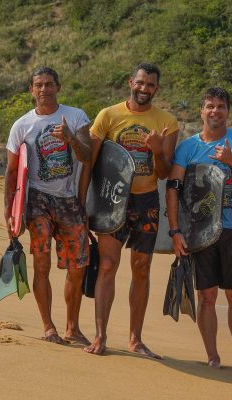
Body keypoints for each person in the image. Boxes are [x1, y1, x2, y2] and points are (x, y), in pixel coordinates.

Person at [83, 63, 179, 358]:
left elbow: (163, 173)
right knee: (108, 265)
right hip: (112, 200)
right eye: (140, 83)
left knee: (141, 268)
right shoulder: (108, 116)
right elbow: (90, 160)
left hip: (146, 200)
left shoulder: (167, 122)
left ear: (156, 88)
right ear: (130, 82)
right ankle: (100, 336)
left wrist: (156, 149)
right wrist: (81, 202)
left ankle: (135, 339)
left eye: (150, 85)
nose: (144, 89)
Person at [166, 87, 232, 372]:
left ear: (228, 111)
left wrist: (231, 161)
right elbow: (174, 188)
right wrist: (175, 231)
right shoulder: (188, 147)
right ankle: (213, 356)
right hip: (200, 231)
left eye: (221, 106)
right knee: (206, 296)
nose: (215, 111)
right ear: (202, 111)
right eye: (210, 106)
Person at [4, 67, 93, 345]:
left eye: (49, 84)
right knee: (41, 262)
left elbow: (88, 156)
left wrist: (70, 138)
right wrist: (9, 214)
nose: (44, 89)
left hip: (69, 199)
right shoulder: (22, 125)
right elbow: (12, 172)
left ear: (58, 87)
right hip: (37, 199)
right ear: (31, 90)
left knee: (78, 266)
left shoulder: (76, 116)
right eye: (39, 85)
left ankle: (72, 326)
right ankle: (48, 326)